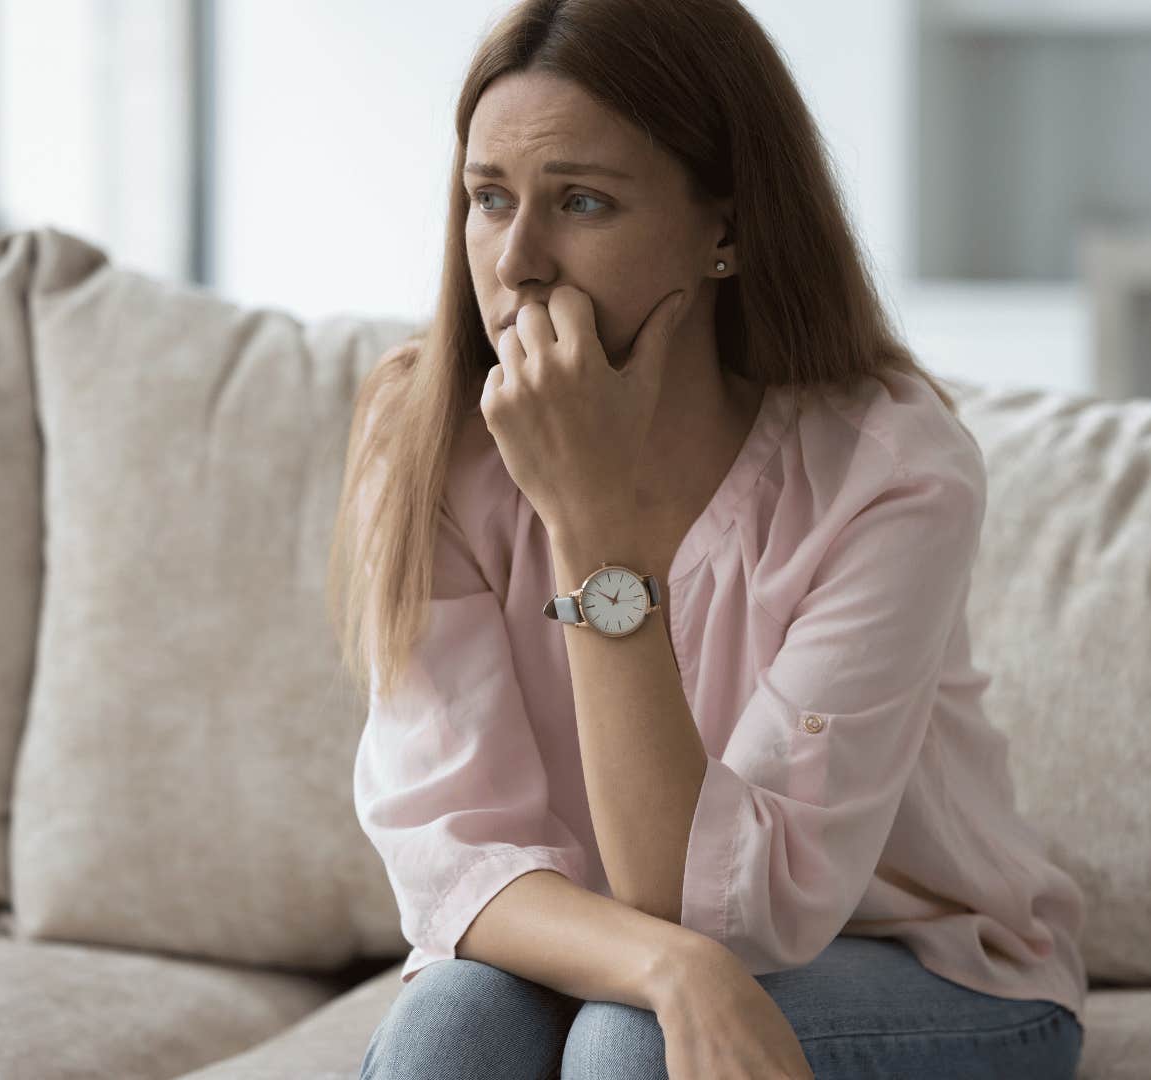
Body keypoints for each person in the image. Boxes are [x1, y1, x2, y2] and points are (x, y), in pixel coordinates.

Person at [325, 1, 1088, 1076]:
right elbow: (455, 858)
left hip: (924, 962)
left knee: (629, 1052)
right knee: (449, 1034)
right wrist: (670, 968)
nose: (518, 263)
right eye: (489, 199)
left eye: (581, 201)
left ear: (724, 231)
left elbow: (731, 912)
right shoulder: (425, 443)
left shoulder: (888, 471)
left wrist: (592, 530)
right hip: (616, 958)